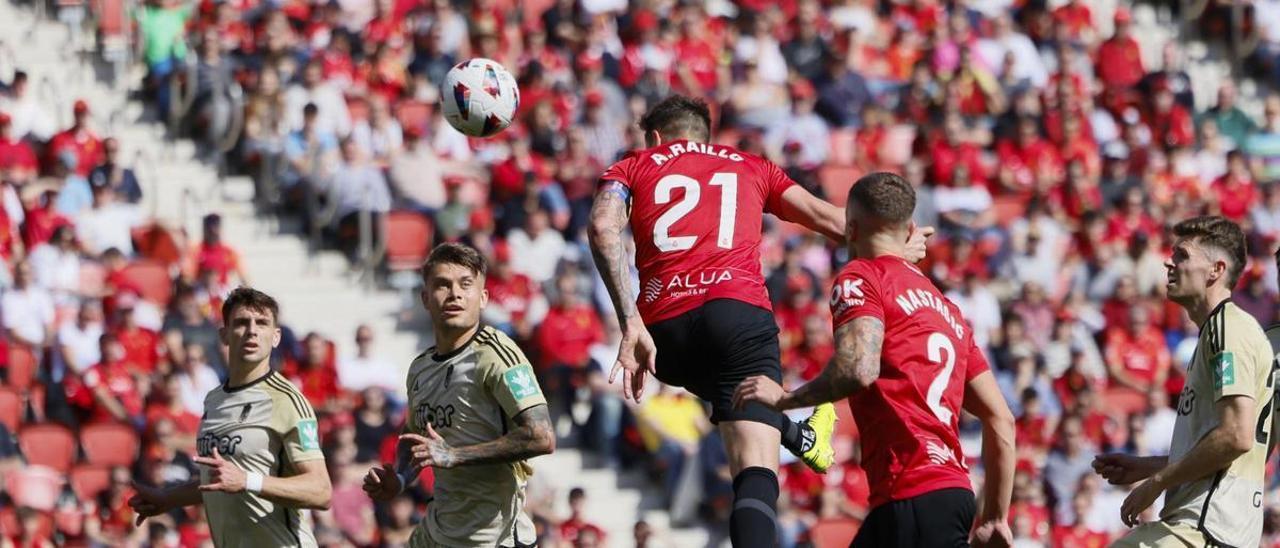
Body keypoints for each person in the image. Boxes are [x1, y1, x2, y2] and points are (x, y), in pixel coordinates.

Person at [587, 96, 927, 546]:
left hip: (663, 331)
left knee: (735, 400)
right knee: (754, 470)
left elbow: (601, 227)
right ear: (705, 134)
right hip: (737, 315)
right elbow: (832, 219)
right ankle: (793, 433)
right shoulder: (750, 165)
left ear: (653, 137)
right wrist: (896, 248)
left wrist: (630, 321)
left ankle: (797, 432)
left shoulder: (634, 164)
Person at [733, 172, 1017, 547]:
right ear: (910, 228)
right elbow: (1002, 419)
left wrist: (785, 399)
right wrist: (994, 517)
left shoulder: (860, 278)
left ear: (850, 227)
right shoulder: (949, 312)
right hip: (951, 492)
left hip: (910, 490)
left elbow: (859, 368)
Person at [1091, 216, 1275, 547]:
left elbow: (1236, 436)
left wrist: (1156, 482)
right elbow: (1219, 449)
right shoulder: (1218, 332)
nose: (1169, 261)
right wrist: (1146, 467)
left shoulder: (1227, 330)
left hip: (1206, 526)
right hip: (1213, 526)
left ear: (1216, 270)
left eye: (1182, 255)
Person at [362, 243, 555, 547]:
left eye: (466, 284)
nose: (454, 294)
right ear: (425, 298)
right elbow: (413, 437)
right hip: (439, 531)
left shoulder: (497, 355)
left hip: (493, 537)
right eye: (442, 284)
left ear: (483, 298)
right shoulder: (420, 368)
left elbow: (541, 436)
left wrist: (455, 455)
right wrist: (398, 479)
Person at [129, 288, 333, 546]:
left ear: (276, 336)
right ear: (224, 335)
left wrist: (248, 480)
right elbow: (220, 480)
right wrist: (167, 498)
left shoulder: (288, 401)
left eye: (262, 323)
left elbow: (321, 491)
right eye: (241, 323)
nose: (252, 331)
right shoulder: (214, 399)